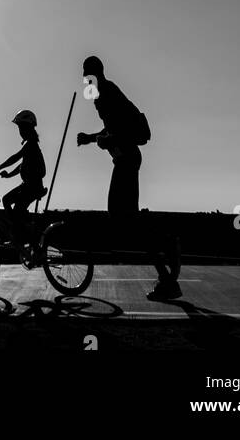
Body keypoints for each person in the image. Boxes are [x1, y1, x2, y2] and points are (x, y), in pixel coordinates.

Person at [77, 54, 181, 300]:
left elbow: (120, 129)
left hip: (127, 160)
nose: (83, 79)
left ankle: (167, 248)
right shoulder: (103, 95)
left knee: (124, 217)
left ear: (95, 73)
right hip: (125, 159)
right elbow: (113, 128)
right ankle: (165, 264)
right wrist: (91, 138)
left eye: (86, 74)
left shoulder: (106, 93)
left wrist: (106, 140)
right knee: (125, 218)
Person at [0, 109, 47, 259]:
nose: (20, 131)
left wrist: (0, 167)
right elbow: (22, 165)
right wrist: (8, 175)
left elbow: (16, 157)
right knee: (8, 201)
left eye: (21, 127)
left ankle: (21, 237)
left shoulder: (31, 144)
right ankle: (21, 233)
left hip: (32, 187)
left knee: (13, 206)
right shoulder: (30, 145)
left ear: (28, 128)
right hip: (28, 185)